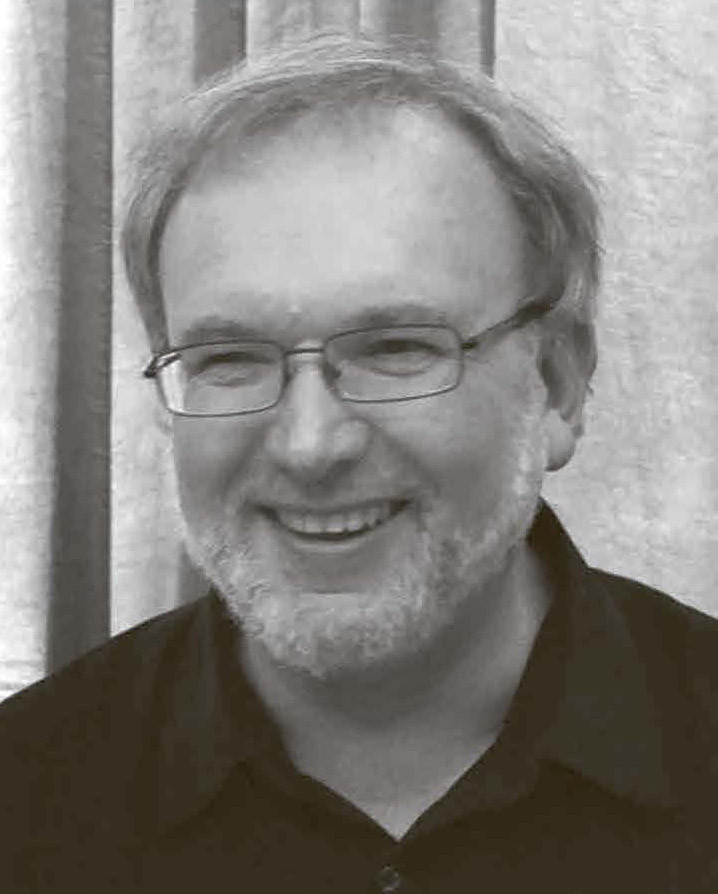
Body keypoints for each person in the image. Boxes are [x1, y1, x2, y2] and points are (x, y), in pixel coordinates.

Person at [1, 36, 717, 894]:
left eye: (396, 349)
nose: (310, 445)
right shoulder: (26, 801)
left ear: (558, 386)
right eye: (230, 359)